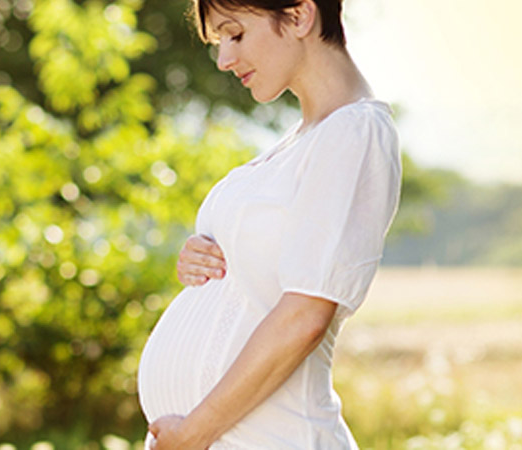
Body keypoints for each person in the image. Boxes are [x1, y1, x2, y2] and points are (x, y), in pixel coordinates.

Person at [137, 0, 401, 448]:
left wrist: (195, 432)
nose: (224, 60)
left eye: (235, 34)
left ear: (299, 15)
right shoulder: (299, 142)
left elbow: (305, 317)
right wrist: (201, 261)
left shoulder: (354, 133)